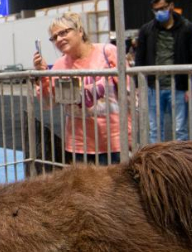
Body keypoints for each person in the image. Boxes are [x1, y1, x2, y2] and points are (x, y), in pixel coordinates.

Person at [32, 12, 131, 165]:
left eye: (64, 32)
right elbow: (48, 103)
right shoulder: (59, 66)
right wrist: (42, 75)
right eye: (54, 37)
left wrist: (129, 133)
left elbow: (129, 94)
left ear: (79, 30)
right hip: (79, 145)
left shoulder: (107, 52)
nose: (59, 39)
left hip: (114, 141)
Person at [135, 0, 192, 143]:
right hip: (153, 86)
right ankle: (157, 162)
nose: (159, 12)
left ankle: (181, 161)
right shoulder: (146, 30)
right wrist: (138, 85)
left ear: (171, 6)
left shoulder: (187, 28)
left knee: (180, 129)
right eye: (156, 10)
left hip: (178, 86)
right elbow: (140, 58)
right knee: (154, 129)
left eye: (162, 8)